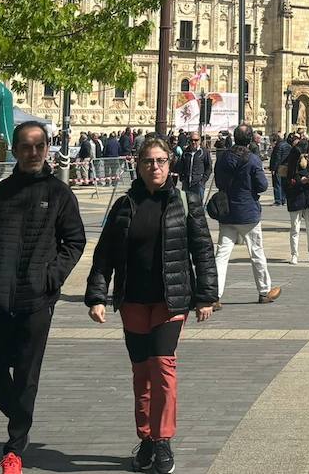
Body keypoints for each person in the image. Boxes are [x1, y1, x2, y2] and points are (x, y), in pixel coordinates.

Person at [86, 137, 217, 474]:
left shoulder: (186, 202)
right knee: (141, 373)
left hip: (171, 298)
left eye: (160, 161)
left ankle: (163, 439)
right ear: (139, 165)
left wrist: (206, 296)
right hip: (132, 299)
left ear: (169, 165)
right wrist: (97, 296)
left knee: (163, 366)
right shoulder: (124, 205)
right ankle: (145, 438)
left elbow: (202, 250)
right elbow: (105, 254)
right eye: (148, 161)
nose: (155, 167)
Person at [0, 121, 86, 474]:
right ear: (16, 149)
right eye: (26, 146)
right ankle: (21, 413)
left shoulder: (58, 193)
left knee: (26, 374)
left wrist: (50, 278)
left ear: (48, 148)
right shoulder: (2, 193)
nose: (34, 152)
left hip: (36, 300)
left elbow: (75, 241)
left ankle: (14, 448)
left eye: (40, 146)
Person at [212, 126, 282, 305]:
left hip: (227, 211)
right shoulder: (252, 159)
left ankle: (214, 295)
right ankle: (264, 292)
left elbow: (218, 181)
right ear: (250, 139)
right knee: (256, 252)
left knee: (221, 254)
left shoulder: (222, 158)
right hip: (247, 212)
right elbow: (262, 185)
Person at [173, 131, 212, 200]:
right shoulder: (185, 152)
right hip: (186, 184)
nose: (193, 142)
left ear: (199, 141)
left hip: (198, 184)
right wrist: (182, 178)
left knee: (198, 206)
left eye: (196, 140)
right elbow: (181, 165)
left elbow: (209, 167)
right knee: (186, 204)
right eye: (191, 140)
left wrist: (203, 181)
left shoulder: (204, 152)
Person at [268, 132, 290, 206]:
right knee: (283, 184)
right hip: (285, 166)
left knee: (277, 184)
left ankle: (278, 200)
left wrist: (273, 168)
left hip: (278, 167)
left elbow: (277, 158)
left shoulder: (278, 146)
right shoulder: (287, 145)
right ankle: (284, 199)